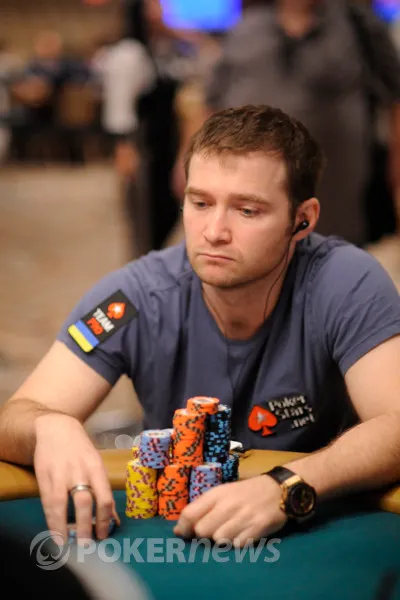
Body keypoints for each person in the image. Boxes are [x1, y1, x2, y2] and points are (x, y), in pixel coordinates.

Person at [1, 104, 400, 548]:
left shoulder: (347, 282)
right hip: (176, 534)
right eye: (201, 203)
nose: (214, 231)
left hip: (320, 534)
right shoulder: (133, 297)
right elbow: (14, 417)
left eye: (247, 210)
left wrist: (286, 485)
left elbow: (397, 423)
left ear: (302, 219)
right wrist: (49, 426)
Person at [173, 0, 400, 247]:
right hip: (248, 186)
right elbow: (210, 101)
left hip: (334, 191)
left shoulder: (357, 25)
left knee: (329, 259)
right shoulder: (246, 28)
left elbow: (395, 98)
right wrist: (189, 156)